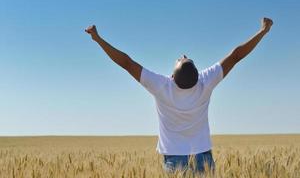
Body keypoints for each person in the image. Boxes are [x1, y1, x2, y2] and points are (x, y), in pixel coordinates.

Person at [85, 17, 273, 174]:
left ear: (172, 77)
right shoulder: (205, 82)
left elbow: (127, 63)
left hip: (174, 161)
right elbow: (236, 56)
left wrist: (98, 39)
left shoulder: (162, 86)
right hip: (203, 158)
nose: (183, 56)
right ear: (198, 74)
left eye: (183, 59)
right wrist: (263, 31)